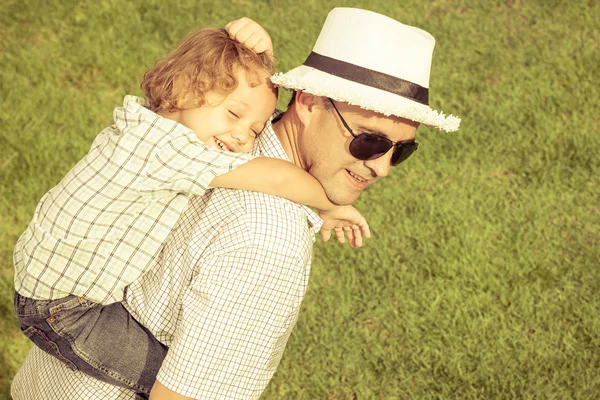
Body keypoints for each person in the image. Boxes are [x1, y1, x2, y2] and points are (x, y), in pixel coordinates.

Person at [11, 7, 461, 400]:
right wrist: (326, 203)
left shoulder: (216, 130)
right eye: (369, 140)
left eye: (400, 151)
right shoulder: (268, 241)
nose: (381, 167)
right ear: (307, 102)